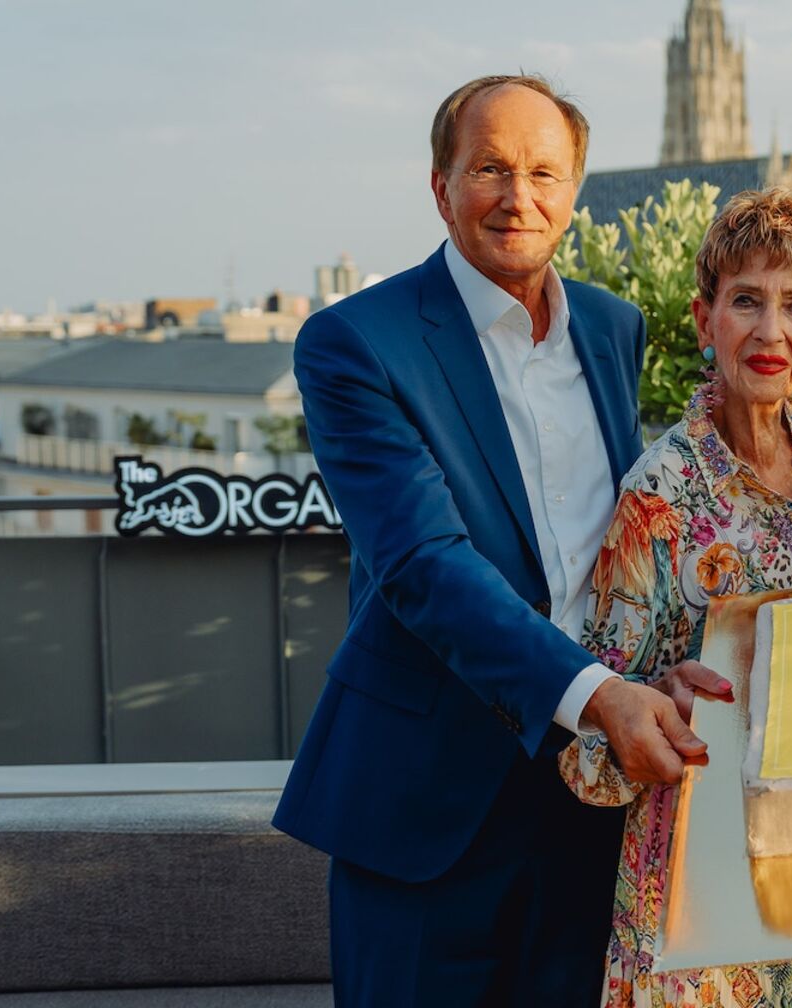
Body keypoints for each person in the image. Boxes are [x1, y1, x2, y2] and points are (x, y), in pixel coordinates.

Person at [274, 75, 717, 1005]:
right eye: (491, 169)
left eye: (545, 173)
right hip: (426, 808)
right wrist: (600, 697)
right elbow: (423, 566)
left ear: (575, 193)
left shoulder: (610, 327)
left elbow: (623, 542)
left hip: (588, 799)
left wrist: (667, 663)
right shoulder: (354, 343)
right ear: (441, 186)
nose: (521, 197)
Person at [560, 187, 792, 1008]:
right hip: (700, 898)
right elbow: (592, 747)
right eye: (747, 301)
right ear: (705, 323)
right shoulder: (656, 493)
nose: (771, 331)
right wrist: (657, 698)